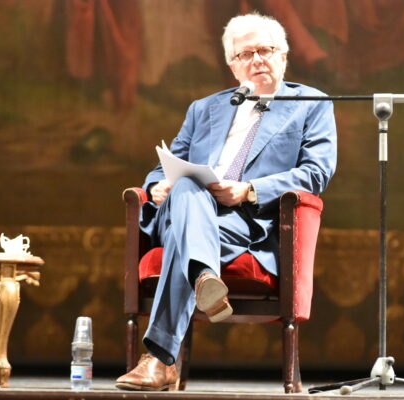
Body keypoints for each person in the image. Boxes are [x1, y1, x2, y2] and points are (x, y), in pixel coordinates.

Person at [115, 12, 337, 391]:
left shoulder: (310, 104)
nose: (257, 60)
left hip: (245, 223)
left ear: (284, 55)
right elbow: (163, 167)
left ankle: (160, 360)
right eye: (245, 54)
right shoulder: (204, 108)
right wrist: (155, 188)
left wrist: (248, 189)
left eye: (265, 50)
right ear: (233, 66)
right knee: (185, 186)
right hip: (181, 211)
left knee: (187, 207)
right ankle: (204, 277)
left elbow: (316, 173)